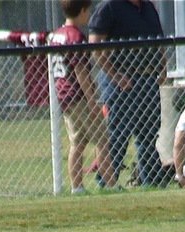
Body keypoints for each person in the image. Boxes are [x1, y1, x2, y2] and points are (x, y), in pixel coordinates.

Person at [89, 0, 169, 187]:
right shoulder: (109, 7)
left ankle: (151, 182)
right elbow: (95, 45)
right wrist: (115, 75)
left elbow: (159, 41)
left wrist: (163, 66)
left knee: (148, 134)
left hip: (148, 79)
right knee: (117, 135)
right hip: (121, 83)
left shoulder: (148, 7)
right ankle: (106, 183)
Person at [50, 0, 118, 193]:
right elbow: (81, 72)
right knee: (102, 140)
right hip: (79, 96)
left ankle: (77, 187)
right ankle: (111, 186)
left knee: (78, 142)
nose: (89, 15)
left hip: (64, 97)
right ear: (82, 11)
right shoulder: (75, 36)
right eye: (88, 11)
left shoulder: (57, 35)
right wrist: (92, 101)